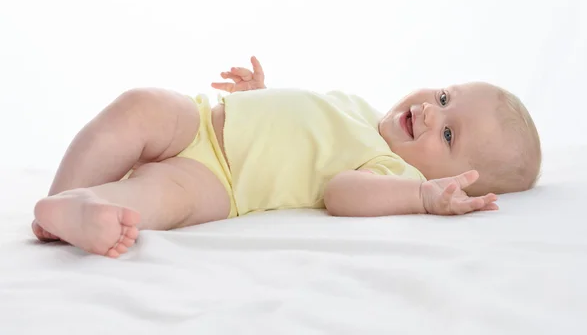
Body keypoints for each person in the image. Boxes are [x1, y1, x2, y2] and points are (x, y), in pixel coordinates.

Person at [32, 56, 541, 258]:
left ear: (453, 180)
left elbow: (340, 193)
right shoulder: (361, 109)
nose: (430, 111)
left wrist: (423, 198)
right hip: (205, 118)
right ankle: (62, 197)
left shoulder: (392, 171)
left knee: (160, 201)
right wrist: (259, 94)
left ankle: (85, 207)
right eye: (445, 97)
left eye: (449, 135)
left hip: (223, 182)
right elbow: (298, 123)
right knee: (137, 106)